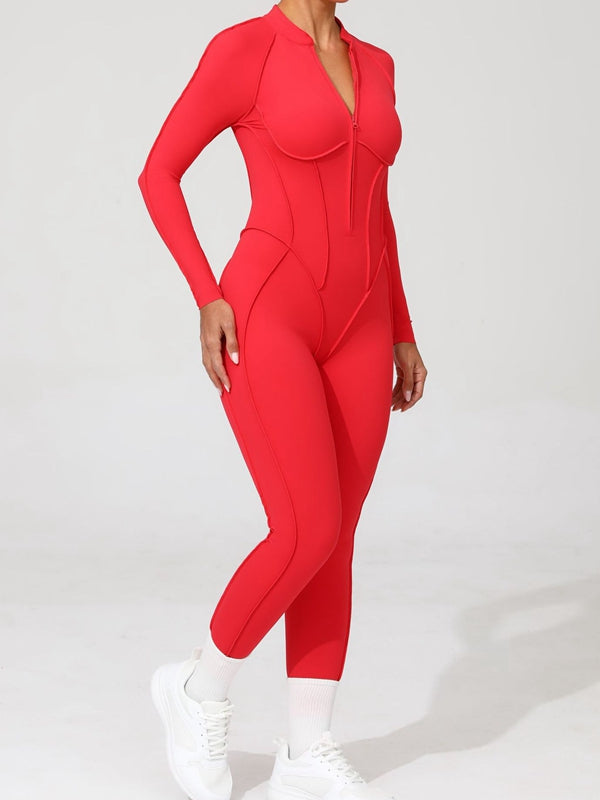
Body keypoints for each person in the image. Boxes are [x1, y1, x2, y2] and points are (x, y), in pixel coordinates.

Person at [137, 2, 427, 799]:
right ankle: (196, 689)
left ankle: (306, 748)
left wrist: (402, 328)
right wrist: (206, 294)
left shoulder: (377, 63)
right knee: (307, 527)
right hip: (270, 312)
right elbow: (158, 173)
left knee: (337, 541)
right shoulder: (246, 50)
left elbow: (376, 207)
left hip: (364, 326)